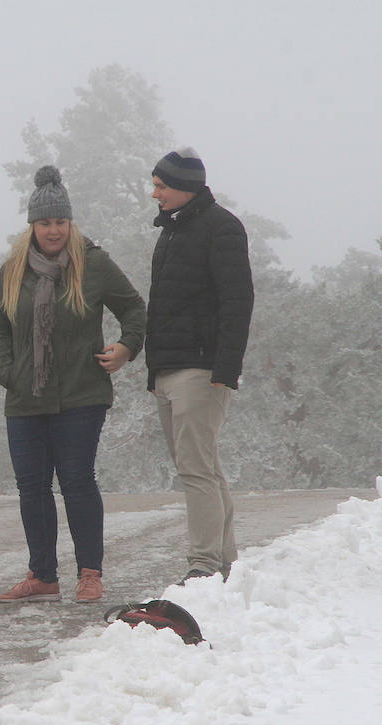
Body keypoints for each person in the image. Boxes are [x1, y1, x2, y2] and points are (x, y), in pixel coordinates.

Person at [0, 166, 146, 603]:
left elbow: (134, 309)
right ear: (32, 225)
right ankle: (43, 575)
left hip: (81, 394)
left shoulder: (93, 263)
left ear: (69, 222)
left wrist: (126, 348)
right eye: (44, 222)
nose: (53, 230)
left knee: (76, 481)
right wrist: (6, 370)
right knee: (32, 486)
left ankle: (90, 573)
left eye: (60, 221)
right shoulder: (14, 268)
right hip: (25, 397)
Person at [145, 147, 254, 584]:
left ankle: (203, 564)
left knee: (196, 469)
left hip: (202, 370)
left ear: (185, 188)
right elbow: (162, 306)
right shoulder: (170, 232)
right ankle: (225, 561)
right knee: (202, 467)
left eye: (161, 186)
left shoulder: (221, 228)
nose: (155, 194)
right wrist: (155, 372)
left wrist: (225, 370)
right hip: (169, 370)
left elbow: (237, 300)